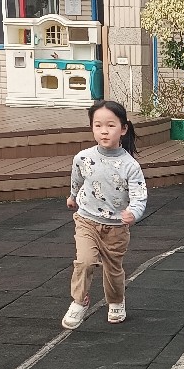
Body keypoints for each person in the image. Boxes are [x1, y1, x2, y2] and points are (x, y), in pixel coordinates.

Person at [62, 100, 147, 329]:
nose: (104, 131)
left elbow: (139, 195)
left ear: (123, 128)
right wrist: (72, 196)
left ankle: (116, 301)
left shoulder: (130, 165)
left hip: (116, 227)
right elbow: (77, 179)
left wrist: (133, 213)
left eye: (110, 125)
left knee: (113, 268)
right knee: (84, 262)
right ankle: (79, 300)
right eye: (98, 125)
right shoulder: (83, 157)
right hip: (87, 220)